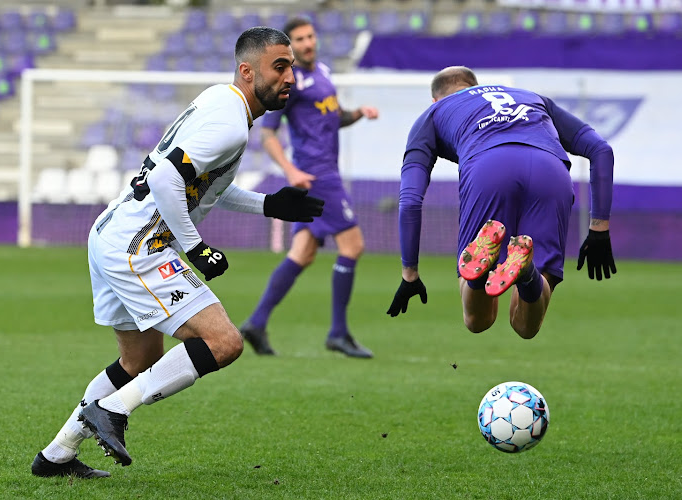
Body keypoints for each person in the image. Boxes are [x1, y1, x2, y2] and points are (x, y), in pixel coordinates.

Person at [31, 26, 324, 478]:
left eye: (290, 67)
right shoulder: (230, 124)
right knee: (224, 342)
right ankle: (113, 411)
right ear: (248, 72)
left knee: (139, 359)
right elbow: (168, 178)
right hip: (137, 246)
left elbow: (200, 184)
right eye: (279, 67)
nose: (289, 76)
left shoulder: (221, 101)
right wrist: (196, 248)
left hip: (111, 232)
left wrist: (268, 205)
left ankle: (57, 454)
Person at [387, 66, 616, 339]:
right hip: (550, 170)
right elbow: (601, 149)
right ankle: (527, 270)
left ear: (436, 99)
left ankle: (481, 270)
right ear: (475, 85)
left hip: (489, 169)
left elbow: (410, 200)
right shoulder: (531, 97)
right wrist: (599, 229)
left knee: (478, 320)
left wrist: (409, 272)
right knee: (526, 327)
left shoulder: (434, 114)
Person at [239, 17, 379, 359]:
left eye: (309, 36)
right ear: (291, 47)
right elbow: (268, 133)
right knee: (353, 246)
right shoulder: (291, 82)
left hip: (323, 172)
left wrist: (358, 113)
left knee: (302, 253)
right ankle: (338, 333)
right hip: (318, 177)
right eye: (299, 39)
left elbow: (333, 116)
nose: (307, 43)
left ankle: (256, 323)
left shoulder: (325, 74)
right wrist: (291, 170)